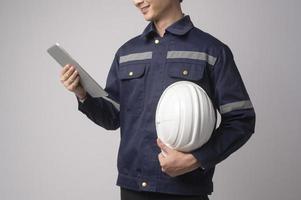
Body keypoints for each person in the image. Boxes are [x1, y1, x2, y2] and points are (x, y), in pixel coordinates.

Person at [59, 0, 256, 199]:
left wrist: (196, 159)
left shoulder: (212, 51)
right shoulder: (127, 53)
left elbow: (241, 120)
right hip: (132, 188)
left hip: (185, 191)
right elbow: (111, 118)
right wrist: (82, 93)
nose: (136, 1)